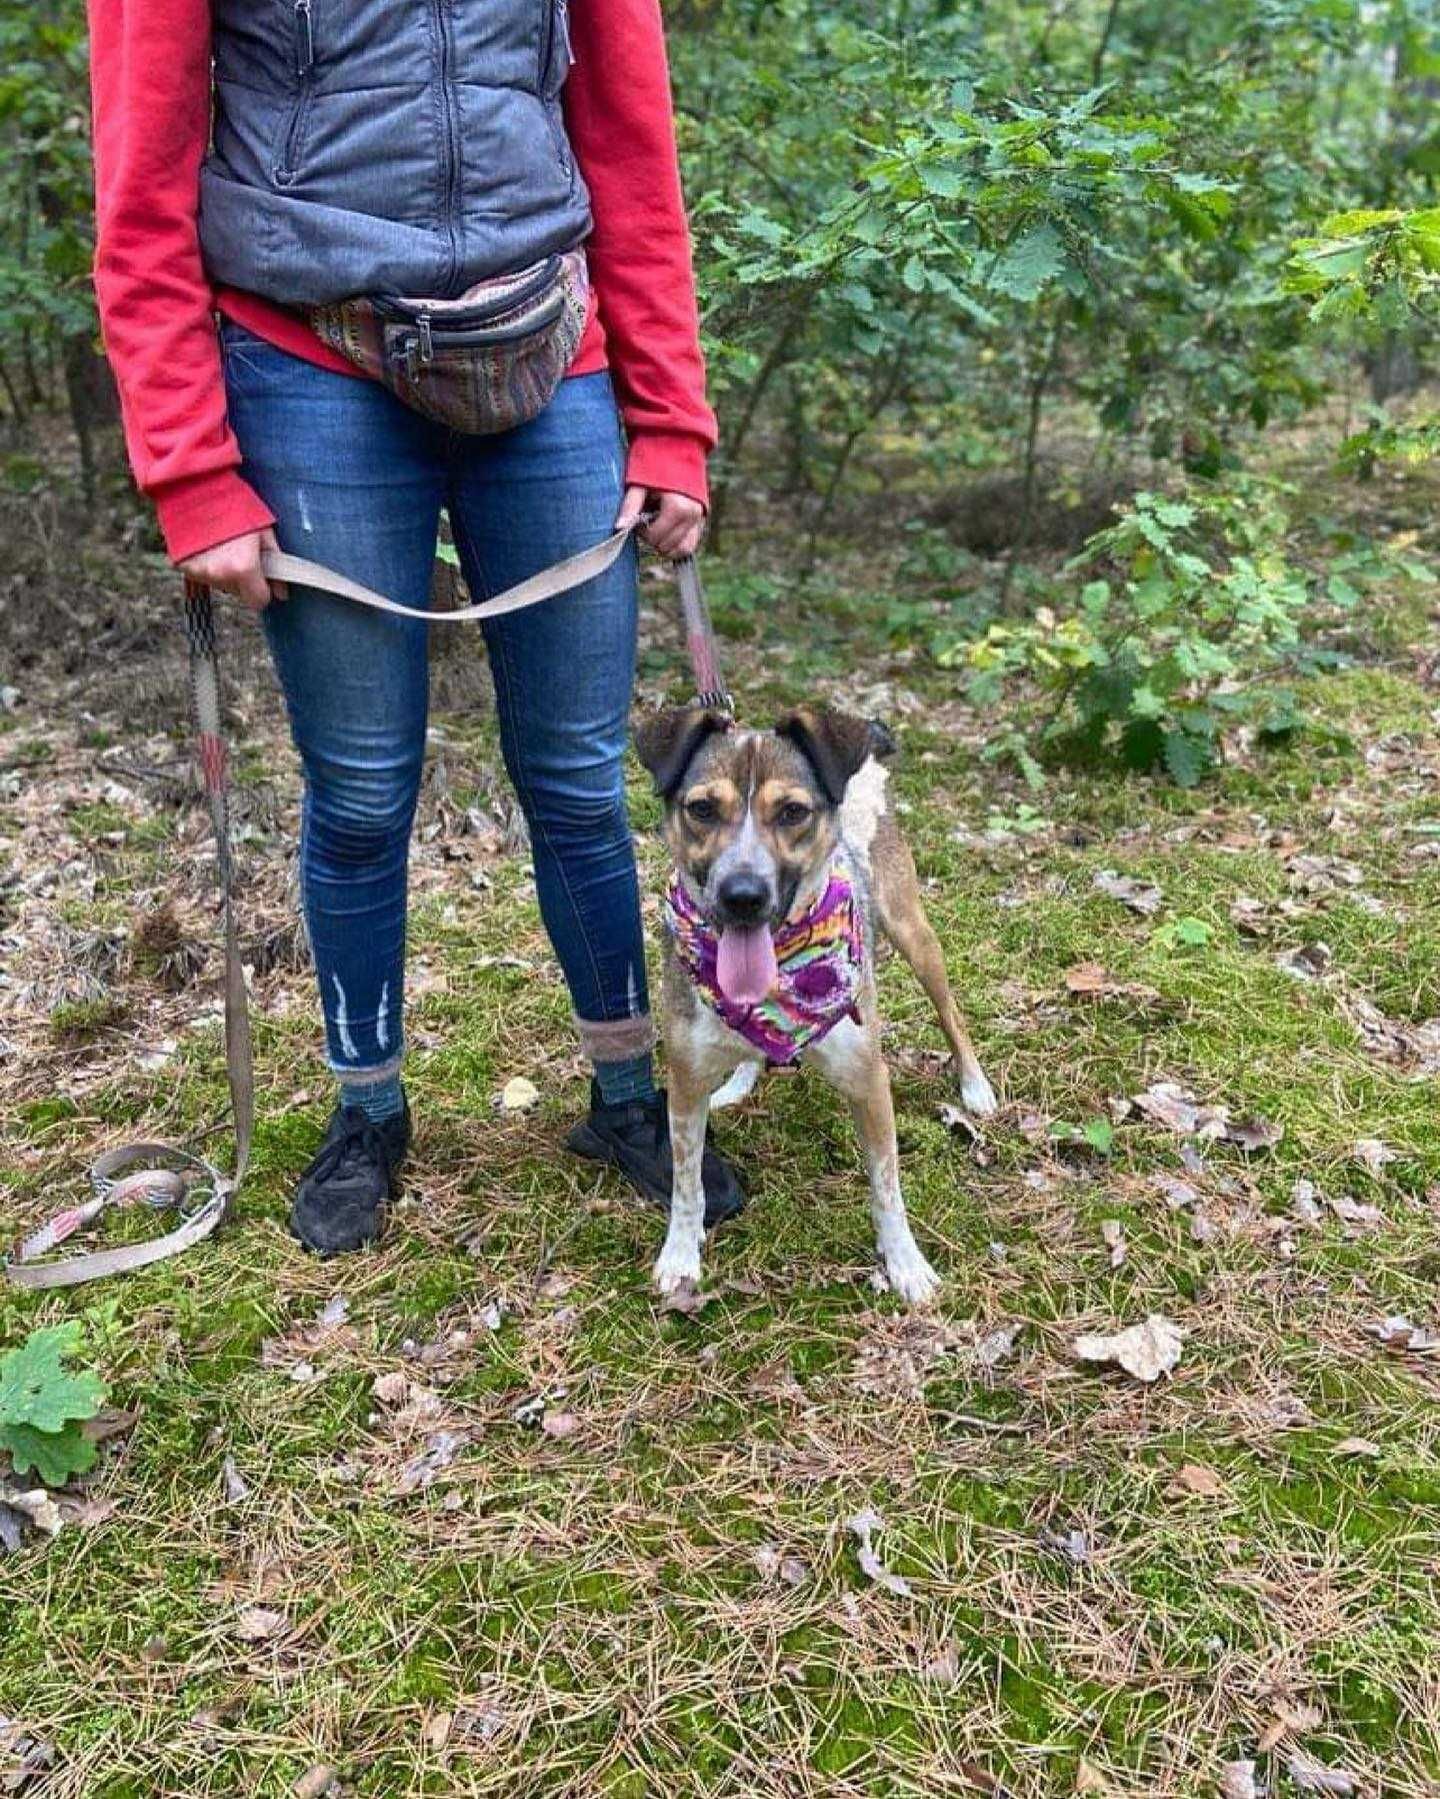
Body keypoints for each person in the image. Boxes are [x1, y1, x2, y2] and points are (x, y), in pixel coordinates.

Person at [87, 0, 744, 1253]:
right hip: (306, 359)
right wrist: (190, 467)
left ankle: (627, 1095)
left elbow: (629, 138)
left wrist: (669, 414)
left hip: (551, 350)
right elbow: (142, 169)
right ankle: (367, 1113)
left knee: (576, 780)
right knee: (363, 790)